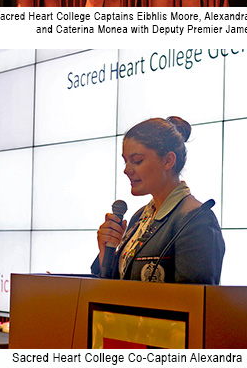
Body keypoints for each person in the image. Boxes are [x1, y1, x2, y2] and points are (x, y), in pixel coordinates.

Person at [92, 115, 225, 283]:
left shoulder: (196, 220)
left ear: (168, 161)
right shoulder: (139, 217)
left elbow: (194, 303)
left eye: (137, 161)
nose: (126, 170)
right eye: (126, 162)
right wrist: (106, 253)